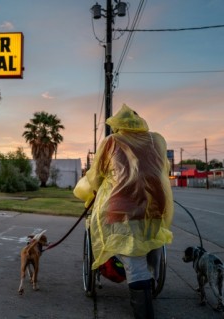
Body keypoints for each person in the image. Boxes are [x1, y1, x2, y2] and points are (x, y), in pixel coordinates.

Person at [74, 104, 174, 319]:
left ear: (119, 126)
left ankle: (143, 310)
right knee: (152, 245)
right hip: (156, 207)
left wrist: (93, 192)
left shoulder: (112, 142)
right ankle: (151, 278)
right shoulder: (156, 140)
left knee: (134, 262)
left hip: (122, 209)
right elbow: (162, 170)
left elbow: (97, 175)